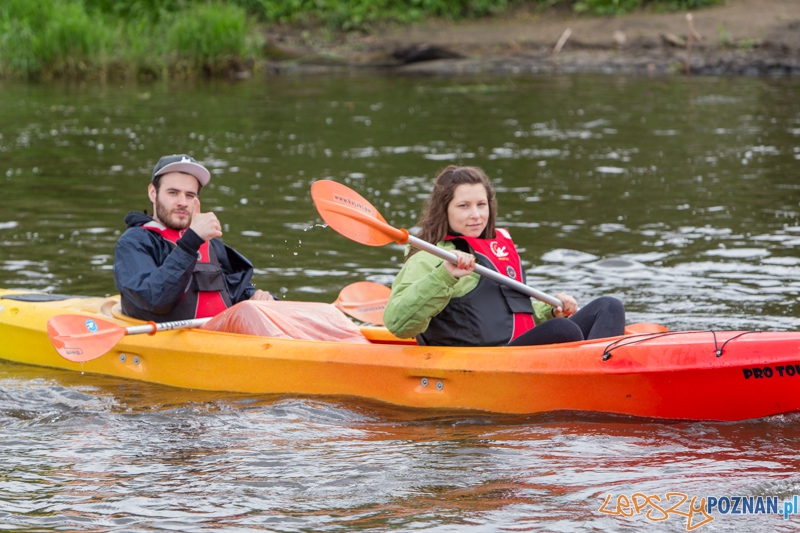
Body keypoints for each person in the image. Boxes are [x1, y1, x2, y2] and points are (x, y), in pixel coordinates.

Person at [383, 165, 625, 347]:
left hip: (515, 351)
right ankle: (592, 380)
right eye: (464, 206)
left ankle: (602, 375)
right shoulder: (428, 257)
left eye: (481, 204)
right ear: (444, 210)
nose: (476, 215)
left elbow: (507, 313)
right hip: (482, 361)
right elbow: (397, 324)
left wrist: (549, 311)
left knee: (608, 307)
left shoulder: (497, 249)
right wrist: (445, 275)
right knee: (563, 331)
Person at [114, 154, 274, 322]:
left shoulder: (210, 243)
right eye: (173, 193)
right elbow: (155, 299)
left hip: (221, 337)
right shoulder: (133, 243)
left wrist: (257, 296)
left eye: (190, 195)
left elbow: (237, 289)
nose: (183, 202)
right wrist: (191, 242)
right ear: (153, 193)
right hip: (169, 340)